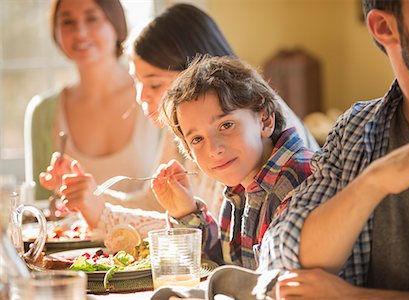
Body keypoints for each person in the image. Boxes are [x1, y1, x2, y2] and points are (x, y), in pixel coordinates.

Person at [39, 3, 319, 227]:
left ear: (198, 75)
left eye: (154, 84)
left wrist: (100, 211)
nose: (140, 97)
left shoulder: (236, 137)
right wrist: (91, 196)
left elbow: (209, 237)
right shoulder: (193, 128)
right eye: (137, 82)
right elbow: (157, 203)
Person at [260, 0, 409, 298]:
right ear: (385, 27)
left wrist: (355, 297)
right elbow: (281, 257)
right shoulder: (355, 128)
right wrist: (373, 182)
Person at [85, 55, 314, 270]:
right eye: (197, 139)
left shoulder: (297, 182)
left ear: (265, 120)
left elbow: (275, 284)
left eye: (226, 125)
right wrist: (185, 211)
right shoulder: (240, 186)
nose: (214, 149)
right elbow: (224, 266)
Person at [24, 0, 163, 211]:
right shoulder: (43, 113)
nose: (80, 32)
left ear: (116, 24)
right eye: (67, 22)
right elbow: (42, 209)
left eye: (92, 18)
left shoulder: (155, 94)